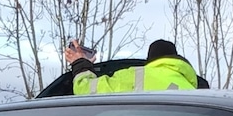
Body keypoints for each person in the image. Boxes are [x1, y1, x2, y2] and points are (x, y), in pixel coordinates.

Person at [67, 38, 202, 95]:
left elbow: (86, 90)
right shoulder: (193, 92)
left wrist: (80, 63)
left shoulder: (137, 76)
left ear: (150, 61)